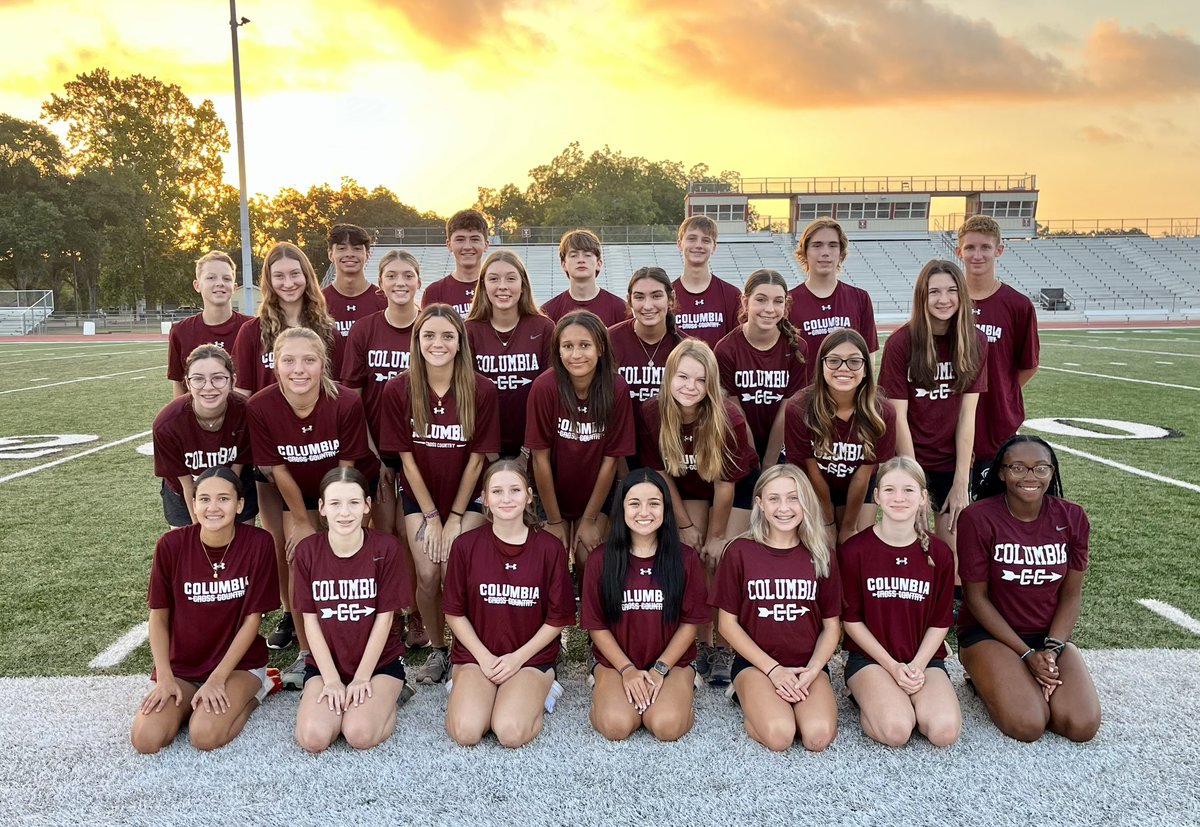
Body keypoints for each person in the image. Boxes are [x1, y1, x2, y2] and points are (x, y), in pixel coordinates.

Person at [247, 327, 378, 690]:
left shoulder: (347, 400)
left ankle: (360, 641)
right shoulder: (260, 406)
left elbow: (347, 465)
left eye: (309, 360)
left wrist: (337, 516)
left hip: (345, 487)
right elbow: (277, 469)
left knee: (351, 554)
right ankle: (307, 653)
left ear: (323, 364)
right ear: (275, 365)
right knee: (298, 555)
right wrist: (304, 521)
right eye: (288, 360)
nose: (298, 369)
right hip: (297, 495)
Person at [379, 304, 500, 685]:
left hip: (468, 496)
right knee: (430, 573)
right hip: (423, 497)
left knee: (456, 568)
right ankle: (438, 649)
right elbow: (405, 459)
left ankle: (472, 649)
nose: (438, 342)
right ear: (416, 342)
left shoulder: (481, 388)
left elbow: (479, 458)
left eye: (447, 335)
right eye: (428, 335)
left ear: (461, 342)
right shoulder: (398, 389)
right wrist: (433, 518)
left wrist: (456, 519)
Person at [957, 435, 1100, 743]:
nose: (1030, 477)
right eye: (1018, 468)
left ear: (1052, 471)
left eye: (1040, 468)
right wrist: (1025, 654)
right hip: (990, 636)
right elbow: (976, 599)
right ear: (1001, 472)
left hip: (1047, 636)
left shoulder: (1072, 517)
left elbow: (1071, 595)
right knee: (1028, 725)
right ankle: (983, 678)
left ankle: (1029, 674)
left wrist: (1052, 649)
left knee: (1081, 726)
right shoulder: (978, 517)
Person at [232, 243, 337, 650]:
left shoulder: (326, 328)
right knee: (282, 540)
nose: (289, 282)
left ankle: (330, 608)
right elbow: (242, 393)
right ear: (268, 282)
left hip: (321, 450)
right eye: (279, 276)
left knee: (329, 532)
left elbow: (336, 389)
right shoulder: (251, 330)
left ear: (308, 277)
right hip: (274, 453)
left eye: (296, 274)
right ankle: (291, 615)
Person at [131, 467, 279, 754]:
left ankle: (262, 687)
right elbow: (159, 616)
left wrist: (217, 678)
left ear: (239, 505)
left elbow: (253, 620)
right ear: (194, 504)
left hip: (237, 666)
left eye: (224, 499)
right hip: (184, 667)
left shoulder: (259, 543)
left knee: (205, 736)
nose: (213, 507)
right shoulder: (171, 545)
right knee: (145, 740)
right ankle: (189, 702)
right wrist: (165, 678)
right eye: (205, 499)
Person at [637, 339, 758, 685]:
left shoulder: (727, 417)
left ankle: (725, 645)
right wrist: (687, 525)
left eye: (701, 380)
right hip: (685, 487)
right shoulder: (652, 412)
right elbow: (659, 474)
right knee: (692, 552)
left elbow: (725, 485)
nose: (691, 387)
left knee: (721, 557)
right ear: (669, 376)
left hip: (731, 487)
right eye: (683, 377)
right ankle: (702, 643)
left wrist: (718, 537)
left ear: (712, 383)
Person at [442, 460, 576, 748]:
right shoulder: (465, 546)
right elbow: (454, 612)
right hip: (478, 657)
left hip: (529, 658)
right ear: (485, 499)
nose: (506, 499)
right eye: (497, 491)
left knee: (510, 732)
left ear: (529, 496)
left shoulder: (550, 549)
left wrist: (516, 659)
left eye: (515, 490)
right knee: (466, 732)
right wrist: (484, 657)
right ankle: (468, 687)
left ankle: (543, 689)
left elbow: (558, 618)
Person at [710, 464, 841, 752]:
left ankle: (781, 700)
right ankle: (747, 696)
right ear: (759, 504)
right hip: (757, 665)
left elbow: (832, 626)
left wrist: (814, 669)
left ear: (806, 501)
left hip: (808, 665)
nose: (784, 507)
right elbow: (726, 625)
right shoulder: (739, 551)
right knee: (780, 736)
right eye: (774, 499)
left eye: (793, 498)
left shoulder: (821, 554)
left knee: (817, 737)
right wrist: (774, 671)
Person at [839, 457, 961, 748]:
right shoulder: (854, 550)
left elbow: (940, 620)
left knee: (944, 733)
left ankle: (901, 697)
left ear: (922, 498)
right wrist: (893, 668)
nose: (899, 498)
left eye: (908, 490)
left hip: (923, 659)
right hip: (870, 660)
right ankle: (865, 696)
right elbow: (851, 621)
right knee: (896, 731)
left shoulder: (940, 553)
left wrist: (917, 666)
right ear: (877, 497)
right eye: (890, 490)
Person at [292, 468, 414, 753]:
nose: (344, 512)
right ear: (321, 508)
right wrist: (332, 680)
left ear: (367, 505)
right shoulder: (308, 551)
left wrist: (361, 678)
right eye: (335, 503)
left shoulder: (386, 548)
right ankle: (338, 700)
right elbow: (310, 622)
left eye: (354, 503)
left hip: (379, 665)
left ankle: (391, 696)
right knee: (314, 739)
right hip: (326, 665)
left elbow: (384, 621)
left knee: (359, 734)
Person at [581, 469, 708, 741]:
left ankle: (684, 687)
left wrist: (660, 670)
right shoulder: (600, 560)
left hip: (671, 663)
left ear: (665, 509)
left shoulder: (684, 559)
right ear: (622, 508)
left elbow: (690, 624)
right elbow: (597, 627)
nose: (644, 512)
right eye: (634, 503)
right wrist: (627, 671)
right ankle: (602, 689)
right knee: (616, 726)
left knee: (666, 727)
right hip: (617, 663)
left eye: (654, 503)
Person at [341, 249, 423, 646]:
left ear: (419, 280)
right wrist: (374, 453)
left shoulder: (432, 327)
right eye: (392, 275)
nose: (400, 282)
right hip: (378, 449)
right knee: (383, 533)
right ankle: (391, 611)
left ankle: (419, 614)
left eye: (408, 274)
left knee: (413, 537)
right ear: (381, 282)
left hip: (426, 447)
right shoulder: (365, 329)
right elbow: (352, 397)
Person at [879, 259, 988, 556]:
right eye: (934, 292)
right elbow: (897, 417)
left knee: (953, 552)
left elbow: (968, 416)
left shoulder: (976, 341)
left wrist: (961, 481)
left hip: (951, 462)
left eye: (951, 291)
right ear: (922, 297)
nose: (943, 299)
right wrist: (912, 481)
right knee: (914, 544)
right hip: (911, 458)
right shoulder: (901, 342)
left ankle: (951, 602)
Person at [525, 311, 636, 570]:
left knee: (590, 557)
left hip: (596, 490)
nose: (576, 355)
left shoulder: (616, 387)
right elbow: (540, 459)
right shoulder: (545, 387)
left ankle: (589, 610)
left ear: (600, 348)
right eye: (567, 346)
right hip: (550, 491)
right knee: (552, 554)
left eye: (585, 345)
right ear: (558, 350)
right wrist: (553, 521)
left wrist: (588, 519)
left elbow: (611, 461)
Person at [784, 329, 896, 546]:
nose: (843, 369)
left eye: (854, 362)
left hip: (857, 486)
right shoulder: (799, 407)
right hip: (814, 484)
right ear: (821, 365)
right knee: (822, 546)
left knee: (857, 544)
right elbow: (812, 470)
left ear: (865, 369)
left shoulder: (882, 412)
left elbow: (864, 475)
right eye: (834, 361)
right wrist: (828, 524)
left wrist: (848, 527)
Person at [955, 215, 1039, 495]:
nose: (977, 255)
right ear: (959, 251)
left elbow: (1027, 365)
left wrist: (999, 390)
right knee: (950, 507)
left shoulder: (1018, 305)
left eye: (985, 248)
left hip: (997, 421)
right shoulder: (945, 301)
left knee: (994, 505)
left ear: (999, 250)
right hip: (949, 420)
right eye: (970, 248)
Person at [153, 345, 257, 528]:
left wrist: (227, 522)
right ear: (187, 382)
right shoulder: (167, 424)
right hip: (184, 493)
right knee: (190, 550)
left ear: (232, 380)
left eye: (218, 378)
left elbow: (235, 474)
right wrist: (199, 529)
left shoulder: (246, 413)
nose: (208, 387)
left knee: (240, 546)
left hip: (235, 485)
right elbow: (186, 485)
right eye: (198, 379)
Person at [465, 250, 554, 460]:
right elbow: (465, 397)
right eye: (494, 279)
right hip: (481, 449)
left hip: (536, 447)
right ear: (483, 285)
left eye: (511, 279)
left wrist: (527, 452)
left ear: (523, 285)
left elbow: (551, 396)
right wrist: (490, 456)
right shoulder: (468, 330)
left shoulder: (544, 327)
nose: (502, 286)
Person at [715, 269, 807, 466]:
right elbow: (736, 414)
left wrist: (768, 464)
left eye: (778, 301)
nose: (769, 309)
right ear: (745, 302)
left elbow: (787, 410)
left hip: (782, 445)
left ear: (786, 304)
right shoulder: (726, 349)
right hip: (740, 443)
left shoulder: (797, 347)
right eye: (761, 300)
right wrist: (755, 463)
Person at [786, 218, 878, 385]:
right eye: (817, 245)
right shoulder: (788, 301)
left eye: (833, 245)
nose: (825, 252)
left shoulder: (860, 298)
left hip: (848, 398)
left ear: (841, 252)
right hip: (806, 400)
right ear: (805, 251)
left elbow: (868, 356)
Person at [607, 267, 684, 450]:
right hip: (618, 449)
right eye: (639, 297)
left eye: (656, 296)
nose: (648, 306)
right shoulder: (609, 341)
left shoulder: (685, 348)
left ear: (670, 299)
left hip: (670, 450)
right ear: (629, 301)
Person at [166, 251, 250, 398]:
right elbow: (179, 385)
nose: (219, 283)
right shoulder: (181, 331)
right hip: (198, 417)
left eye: (226, 278)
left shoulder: (252, 327)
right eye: (211, 277)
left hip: (244, 417)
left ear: (235, 287)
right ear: (197, 285)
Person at [323, 223, 388, 380]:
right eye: (342, 248)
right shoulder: (316, 303)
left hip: (373, 393)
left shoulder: (385, 300)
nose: (350, 254)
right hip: (329, 392)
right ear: (331, 254)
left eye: (357, 248)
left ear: (368, 254)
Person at [672, 215, 741, 347]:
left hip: (718, 368)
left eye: (706, 240)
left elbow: (738, 345)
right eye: (692, 239)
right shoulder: (666, 295)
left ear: (714, 246)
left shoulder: (731, 295)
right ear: (680, 244)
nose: (698, 245)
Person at [541, 229, 628, 326]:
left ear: (599, 264)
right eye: (574, 255)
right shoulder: (548, 311)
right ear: (563, 264)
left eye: (587, 255)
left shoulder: (621, 309)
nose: (581, 260)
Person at [421, 209, 490, 317]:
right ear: (449, 245)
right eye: (460, 239)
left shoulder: (496, 288)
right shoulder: (434, 292)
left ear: (485, 245)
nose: (467, 247)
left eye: (475, 239)